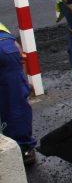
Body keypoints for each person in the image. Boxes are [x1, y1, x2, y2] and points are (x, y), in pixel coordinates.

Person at [0, 23, 35, 167]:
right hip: (5, 46)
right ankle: (24, 149)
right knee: (15, 102)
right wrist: (22, 85)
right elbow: (16, 47)